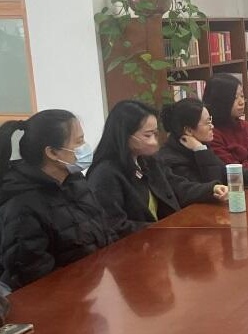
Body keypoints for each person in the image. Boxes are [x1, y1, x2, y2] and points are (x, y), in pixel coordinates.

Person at [0, 110, 118, 289]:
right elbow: (33, 274)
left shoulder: (75, 181)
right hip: (62, 296)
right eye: (78, 141)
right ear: (53, 152)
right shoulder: (22, 204)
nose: (85, 147)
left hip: (94, 285)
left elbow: (104, 229)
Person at [88, 100, 228, 237]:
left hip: (164, 238)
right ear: (125, 135)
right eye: (147, 135)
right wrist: (162, 228)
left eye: (155, 133)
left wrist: (211, 189)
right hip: (138, 244)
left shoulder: (147, 161)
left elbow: (178, 187)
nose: (154, 141)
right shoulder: (105, 173)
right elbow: (115, 226)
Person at [158, 98, 248, 187]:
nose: (212, 126)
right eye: (207, 123)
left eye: (211, 120)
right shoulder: (172, 160)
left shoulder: (200, 145)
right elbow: (214, 183)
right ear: (188, 130)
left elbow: (223, 171)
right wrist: (200, 150)